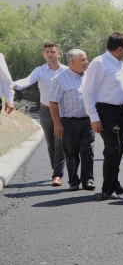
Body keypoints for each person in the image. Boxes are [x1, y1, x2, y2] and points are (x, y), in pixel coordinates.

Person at [83, 32, 123, 200]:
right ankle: (107, 189)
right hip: (106, 113)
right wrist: (94, 118)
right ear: (120, 48)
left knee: (118, 151)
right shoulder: (99, 63)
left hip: (121, 112)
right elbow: (88, 93)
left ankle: (114, 182)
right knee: (113, 150)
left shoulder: (120, 64)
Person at [13, 42, 68, 186]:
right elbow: (27, 81)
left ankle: (57, 175)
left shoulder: (67, 71)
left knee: (60, 143)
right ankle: (56, 170)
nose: (50, 54)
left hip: (63, 112)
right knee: (51, 144)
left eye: (52, 51)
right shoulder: (40, 70)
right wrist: (13, 85)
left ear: (58, 54)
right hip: (45, 111)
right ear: (44, 54)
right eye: (47, 52)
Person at [49, 49, 94, 191]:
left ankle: (88, 180)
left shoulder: (89, 76)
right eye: (84, 59)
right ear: (73, 61)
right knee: (71, 152)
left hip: (88, 121)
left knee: (88, 151)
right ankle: (73, 181)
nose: (87, 62)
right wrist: (57, 124)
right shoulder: (60, 78)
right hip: (69, 122)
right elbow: (53, 102)